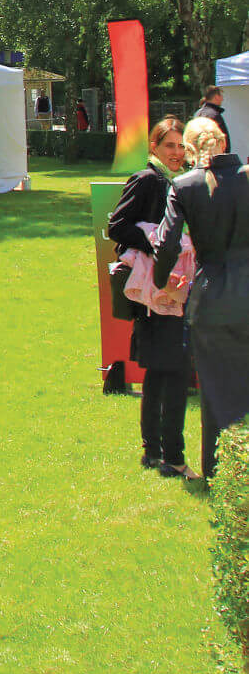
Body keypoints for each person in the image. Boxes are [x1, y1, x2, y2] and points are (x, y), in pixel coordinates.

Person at [154, 116, 249, 479]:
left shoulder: (184, 184)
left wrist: (162, 283)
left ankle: (219, 474)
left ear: (191, 149)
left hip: (211, 299)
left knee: (215, 392)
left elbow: (166, 243)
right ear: (223, 142)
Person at [107, 118, 193, 477]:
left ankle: (155, 452)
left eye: (181, 146)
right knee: (166, 371)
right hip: (153, 290)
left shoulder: (177, 182)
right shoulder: (148, 180)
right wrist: (157, 244)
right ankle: (162, 454)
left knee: (161, 371)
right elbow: (118, 226)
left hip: (169, 288)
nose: (176, 153)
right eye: (169, 145)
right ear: (154, 147)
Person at [195, 87, 231, 152]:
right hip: (214, 157)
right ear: (216, 97)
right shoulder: (214, 116)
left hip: (198, 156)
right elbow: (223, 142)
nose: (222, 99)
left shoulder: (197, 114)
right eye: (221, 96)